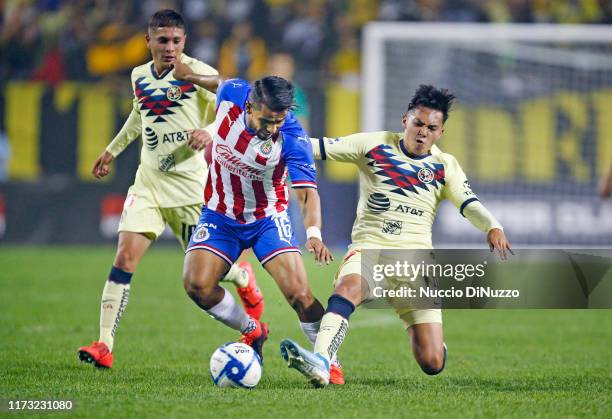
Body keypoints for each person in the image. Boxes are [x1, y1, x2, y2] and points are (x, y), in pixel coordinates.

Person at [279, 85, 513, 387]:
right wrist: (271, 129)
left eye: (431, 128)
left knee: (431, 362)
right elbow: (314, 147)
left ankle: (435, 347)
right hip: (369, 250)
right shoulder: (374, 144)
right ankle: (322, 362)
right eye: (418, 123)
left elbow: (469, 203)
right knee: (347, 290)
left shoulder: (444, 166)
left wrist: (492, 226)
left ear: (440, 132)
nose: (422, 132)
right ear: (405, 120)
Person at [77, 10, 263, 369]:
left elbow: (238, 110)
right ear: (148, 41)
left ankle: (240, 275)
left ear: (184, 42)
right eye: (163, 40)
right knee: (124, 258)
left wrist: (209, 131)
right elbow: (139, 115)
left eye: (177, 41)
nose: (170, 48)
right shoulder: (138, 75)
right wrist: (111, 150)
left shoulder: (197, 73)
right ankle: (104, 345)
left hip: (191, 191)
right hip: (148, 183)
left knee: (211, 273)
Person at [181, 76, 343, 383]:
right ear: (250, 105)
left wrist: (313, 234)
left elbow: (308, 193)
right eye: (267, 120)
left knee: (299, 293)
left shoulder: (292, 137)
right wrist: (186, 74)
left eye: (278, 121)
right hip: (219, 215)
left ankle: (329, 361)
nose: (272, 129)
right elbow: (218, 82)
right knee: (196, 285)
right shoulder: (232, 94)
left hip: (268, 218)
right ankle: (251, 329)